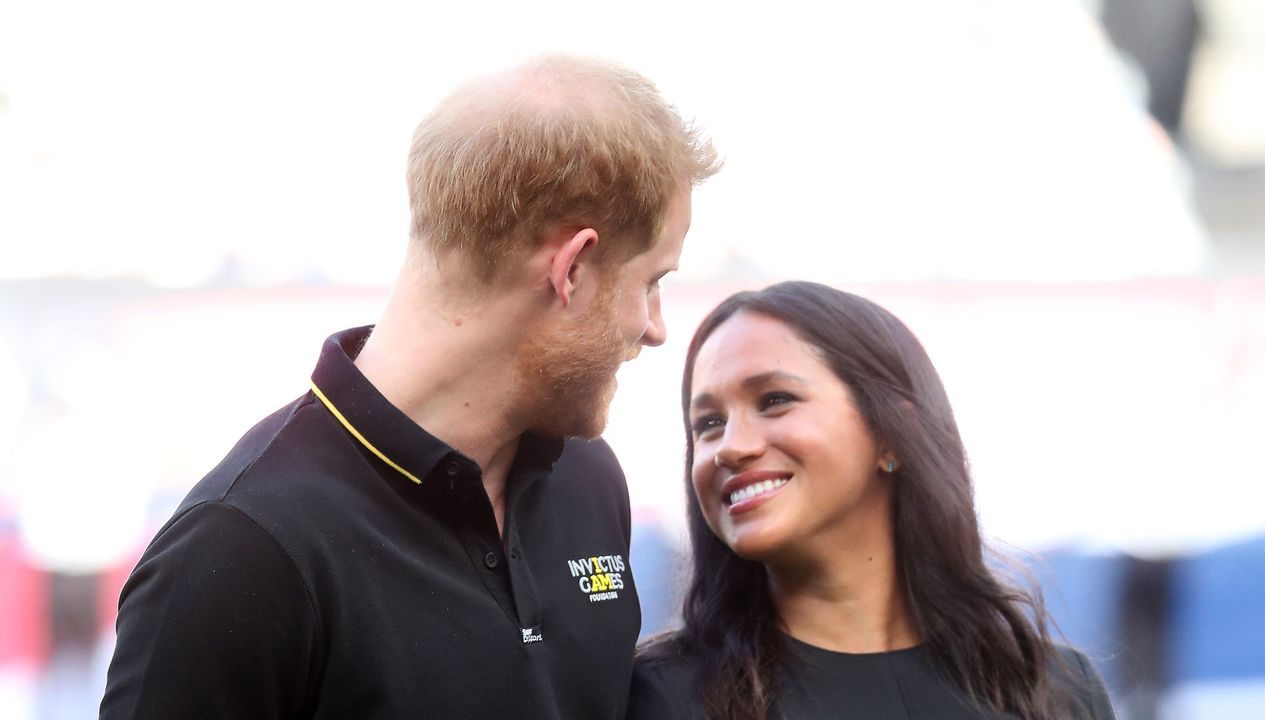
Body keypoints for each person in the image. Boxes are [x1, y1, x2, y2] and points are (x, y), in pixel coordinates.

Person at [99, 54, 718, 719]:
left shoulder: (586, 478)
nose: (654, 327)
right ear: (573, 269)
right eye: (652, 280)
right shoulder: (242, 550)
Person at [627, 282, 1116, 720]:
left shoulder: (1054, 690)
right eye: (708, 424)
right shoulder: (666, 698)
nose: (731, 446)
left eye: (774, 400)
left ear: (891, 434)